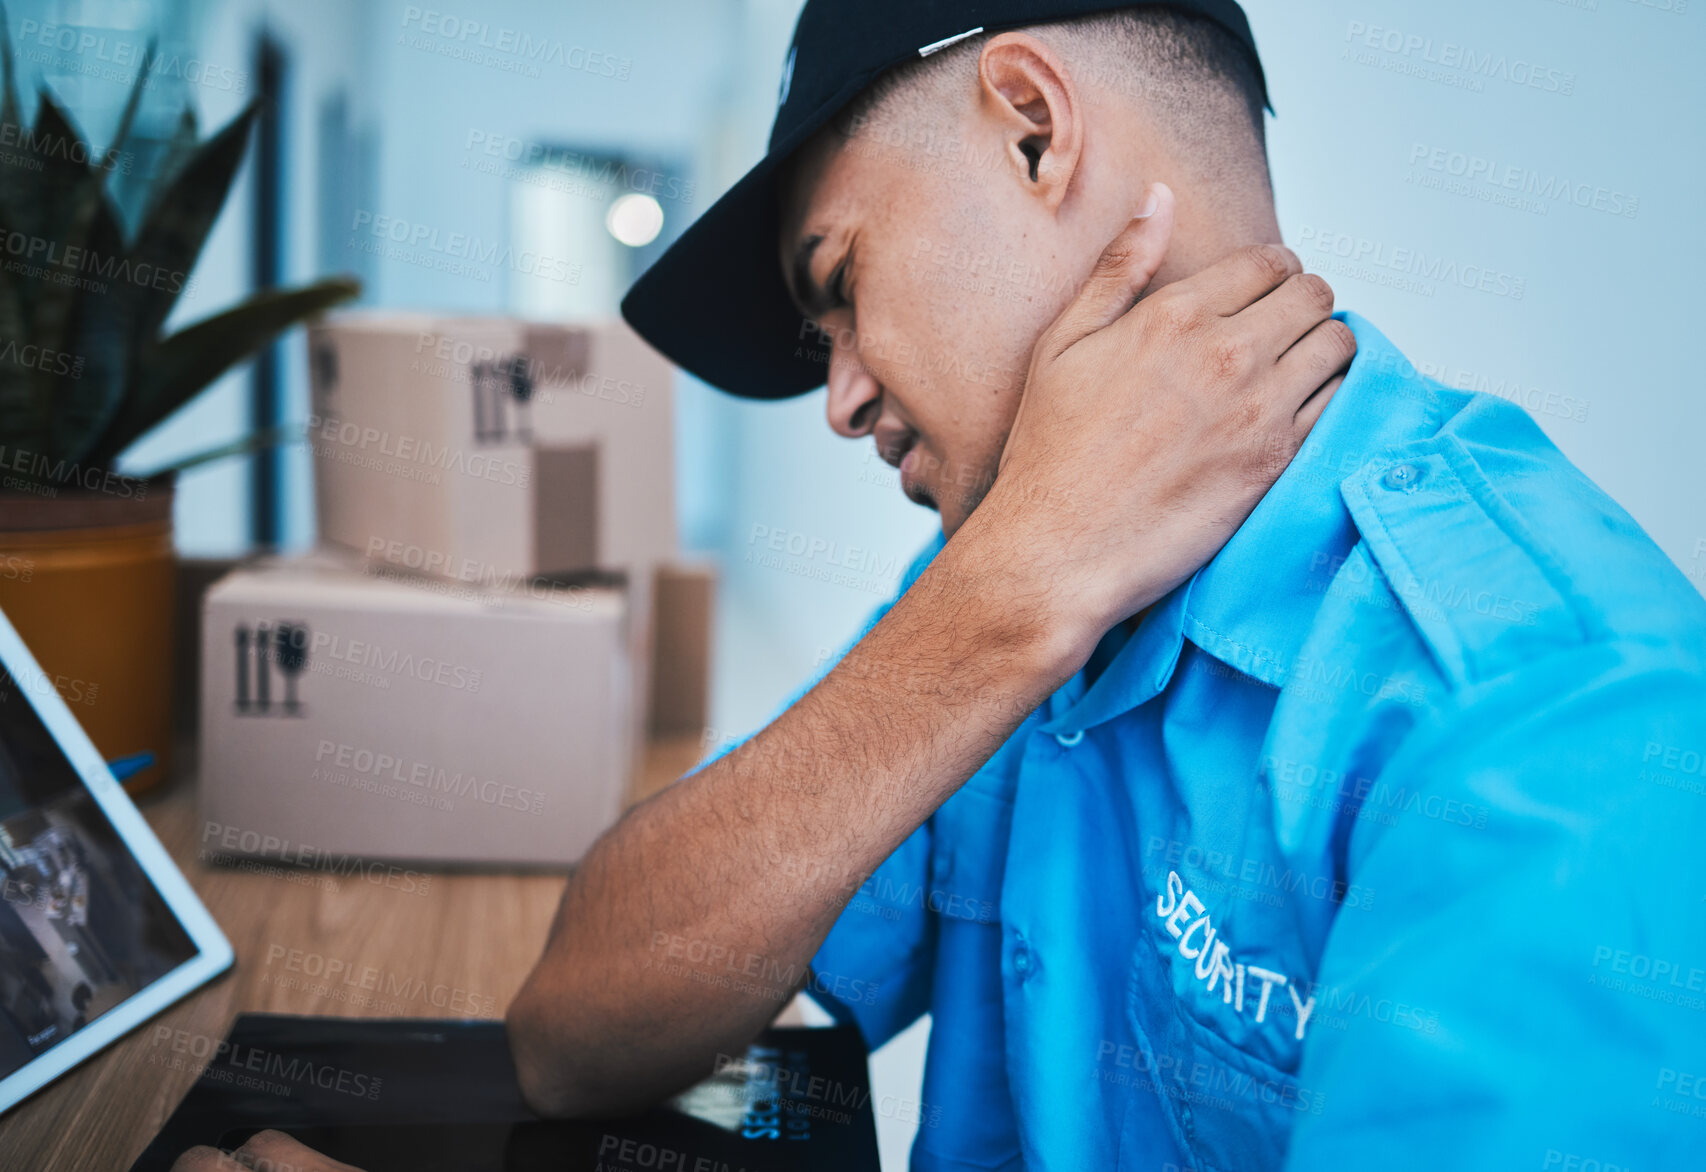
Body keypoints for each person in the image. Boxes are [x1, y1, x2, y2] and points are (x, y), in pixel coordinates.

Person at [176, 3, 1706, 1170]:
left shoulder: (1546, 706)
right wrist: (1014, 594)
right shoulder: (1017, 572)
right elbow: (575, 1033)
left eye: (837, 288)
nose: (837, 400)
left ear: (1033, 128)